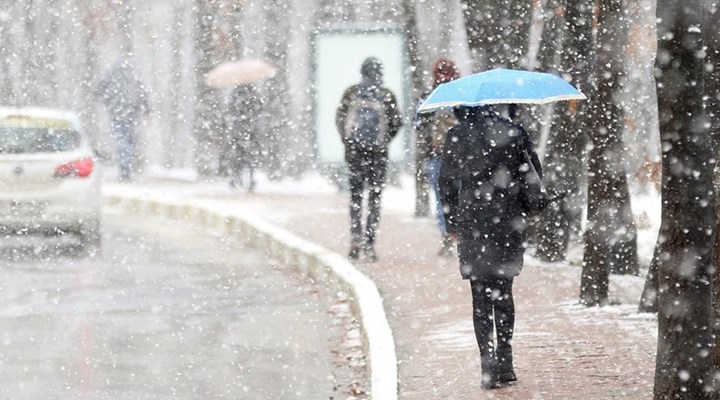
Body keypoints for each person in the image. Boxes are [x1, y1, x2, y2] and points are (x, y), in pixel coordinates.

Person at [439, 105, 542, 389]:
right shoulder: (514, 131)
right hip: (508, 220)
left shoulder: (456, 135)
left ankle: (487, 364)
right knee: (504, 291)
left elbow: (446, 182)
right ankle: (506, 362)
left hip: (472, 220)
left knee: (480, 294)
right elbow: (533, 173)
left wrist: (451, 224)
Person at [336, 57, 403, 262]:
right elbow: (397, 122)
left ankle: (355, 238)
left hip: (355, 155)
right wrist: (383, 141)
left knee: (356, 198)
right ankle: (369, 243)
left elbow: (340, 118)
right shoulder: (386, 95)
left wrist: (349, 142)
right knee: (375, 199)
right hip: (378, 156)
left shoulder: (351, 92)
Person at [415, 58, 460, 257]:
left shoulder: (428, 96)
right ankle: (462, 234)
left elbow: (417, 123)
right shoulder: (462, 95)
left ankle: (447, 235)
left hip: (435, 156)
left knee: (442, 199)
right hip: (460, 157)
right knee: (462, 196)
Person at [96, 58, 150, 181]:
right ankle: (126, 168)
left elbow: (100, 90)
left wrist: (107, 102)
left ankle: (124, 169)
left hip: (117, 112)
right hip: (132, 113)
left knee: (122, 140)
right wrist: (147, 110)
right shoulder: (133, 75)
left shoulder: (112, 74)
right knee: (129, 140)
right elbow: (142, 92)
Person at [225, 83, 262, 192]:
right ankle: (249, 181)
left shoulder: (236, 94)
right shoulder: (253, 93)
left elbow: (231, 110)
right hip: (250, 131)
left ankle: (237, 179)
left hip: (240, 131)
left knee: (239, 157)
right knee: (249, 158)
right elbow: (259, 108)